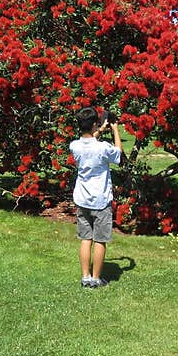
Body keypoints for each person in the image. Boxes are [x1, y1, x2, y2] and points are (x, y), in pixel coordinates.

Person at [70, 107, 122, 288]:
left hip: (82, 199)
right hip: (100, 200)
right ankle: (96, 279)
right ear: (94, 124)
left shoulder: (74, 146)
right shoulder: (103, 148)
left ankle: (85, 277)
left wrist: (99, 130)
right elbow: (118, 156)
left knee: (86, 239)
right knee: (100, 240)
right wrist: (114, 130)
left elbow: (90, 142)